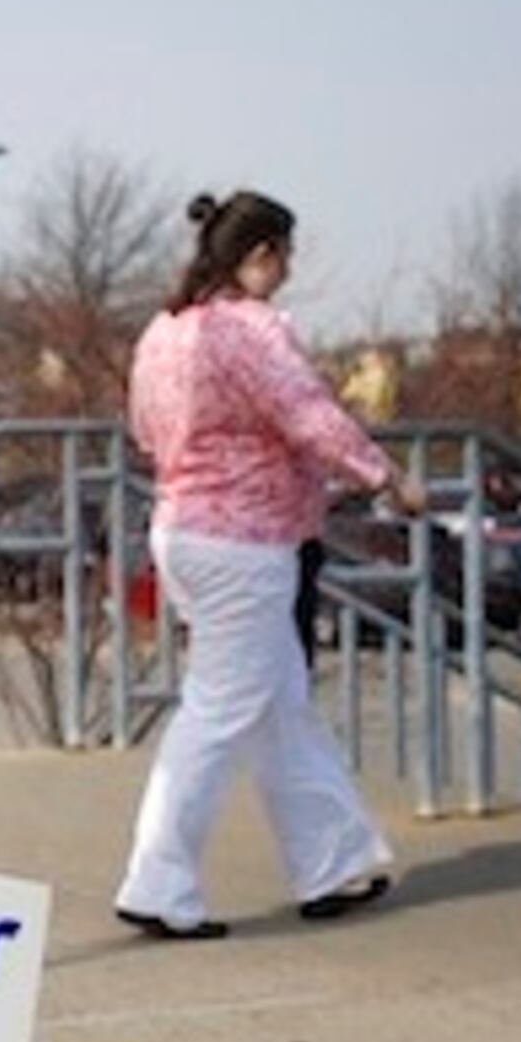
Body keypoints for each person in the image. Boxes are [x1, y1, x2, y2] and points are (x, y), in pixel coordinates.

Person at [113, 189, 426, 941]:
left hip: (183, 530)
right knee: (220, 709)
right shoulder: (253, 332)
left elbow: (146, 431)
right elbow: (310, 414)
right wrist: (385, 475)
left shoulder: (165, 331)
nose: (286, 272)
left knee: (277, 700)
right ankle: (157, 879)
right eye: (284, 255)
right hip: (245, 544)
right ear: (260, 254)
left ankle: (333, 862)